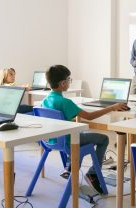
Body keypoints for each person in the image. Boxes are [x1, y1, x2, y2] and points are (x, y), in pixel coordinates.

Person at [42, 65, 128, 194]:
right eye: (69, 80)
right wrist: (112, 107)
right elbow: (89, 116)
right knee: (103, 139)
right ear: (63, 83)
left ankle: (70, 168)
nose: (70, 82)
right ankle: (93, 174)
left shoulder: (45, 100)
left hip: (50, 142)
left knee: (78, 132)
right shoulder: (65, 102)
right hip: (67, 142)